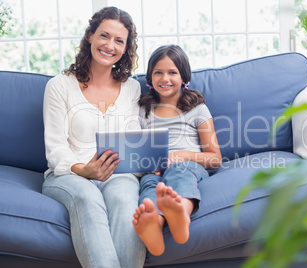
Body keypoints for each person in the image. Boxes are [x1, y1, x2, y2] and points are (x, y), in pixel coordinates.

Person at [42, 7, 146, 268]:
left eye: (119, 41)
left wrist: (145, 164)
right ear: (90, 36)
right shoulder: (59, 86)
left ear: (126, 48)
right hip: (68, 174)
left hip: (118, 173)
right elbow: (55, 149)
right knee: (87, 198)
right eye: (104, 36)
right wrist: (83, 170)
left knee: (125, 201)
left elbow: (133, 139)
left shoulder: (132, 88)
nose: (110, 45)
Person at [132, 44, 222, 256]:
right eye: (158, 72)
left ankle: (181, 211)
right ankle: (155, 223)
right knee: (149, 186)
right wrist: (147, 166)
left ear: (184, 78)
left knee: (178, 172)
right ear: (150, 79)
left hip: (188, 166)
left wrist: (180, 155)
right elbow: (137, 149)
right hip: (156, 171)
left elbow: (215, 158)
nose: (165, 78)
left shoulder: (197, 108)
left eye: (172, 72)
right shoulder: (143, 110)